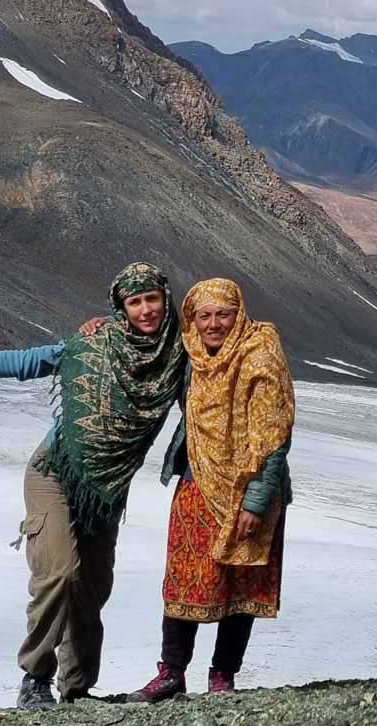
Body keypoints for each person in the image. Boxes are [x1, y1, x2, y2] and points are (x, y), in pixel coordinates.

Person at [0, 263, 186, 708]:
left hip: (106, 488)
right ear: (121, 308)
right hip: (54, 471)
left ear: (166, 299)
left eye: (152, 299)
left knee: (91, 589)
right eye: (135, 301)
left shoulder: (178, 356)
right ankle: (35, 678)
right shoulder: (93, 343)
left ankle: (77, 689)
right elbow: (28, 361)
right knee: (59, 572)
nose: (145, 309)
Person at [85, 277, 295, 699]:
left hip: (254, 489)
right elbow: (145, 342)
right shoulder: (191, 354)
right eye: (204, 316)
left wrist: (255, 499)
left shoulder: (260, 350)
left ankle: (223, 676)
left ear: (238, 314)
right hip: (197, 480)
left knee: (241, 582)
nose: (214, 324)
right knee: (183, 578)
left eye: (223, 314)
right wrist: (102, 326)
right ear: (193, 320)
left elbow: (274, 436)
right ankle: (172, 673)